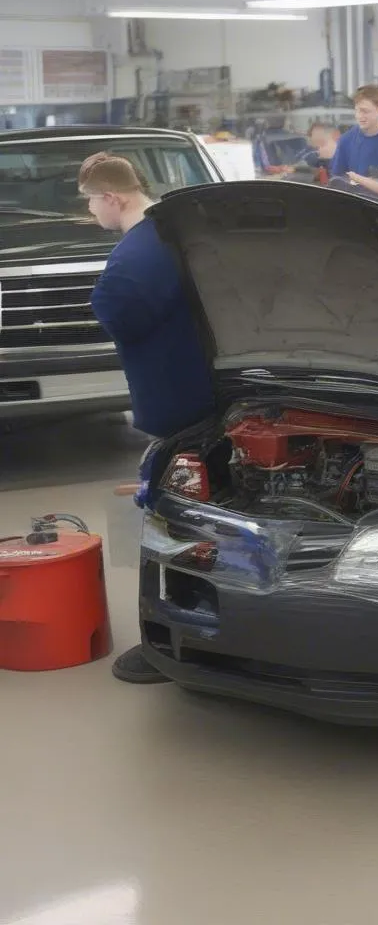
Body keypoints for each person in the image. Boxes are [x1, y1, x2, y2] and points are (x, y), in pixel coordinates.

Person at [82, 152, 215, 685]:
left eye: (91, 200)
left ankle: (167, 644)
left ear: (113, 197)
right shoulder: (175, 230)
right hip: (204, 395)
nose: (90, 211)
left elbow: (113, 309)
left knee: (168, 525)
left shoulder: (138, 252)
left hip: (176, 407)